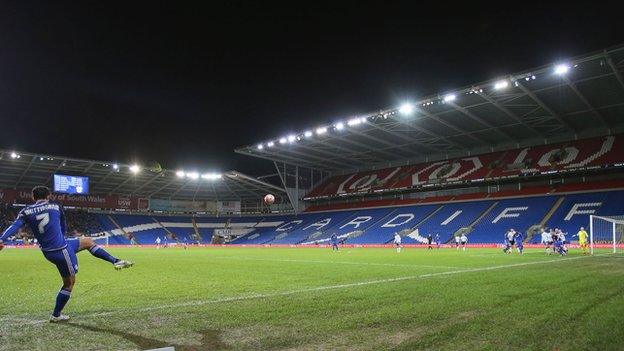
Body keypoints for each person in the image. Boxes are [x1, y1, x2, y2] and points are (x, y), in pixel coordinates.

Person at [0, 186, 133, 322]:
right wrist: (61, 235)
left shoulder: (25, 211)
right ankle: (56, 315)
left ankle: (115, 260)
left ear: (33, 197)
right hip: (61, 250)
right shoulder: (56, 207)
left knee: (87, 241)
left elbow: (14, 226)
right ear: (48, 196)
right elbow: (63, 225)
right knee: (69, 283)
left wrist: (1, 239)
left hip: (50, 250)